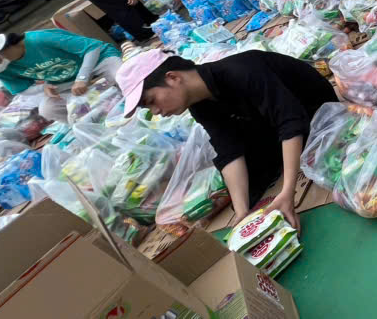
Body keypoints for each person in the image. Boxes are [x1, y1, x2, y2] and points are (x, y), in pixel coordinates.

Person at [117, 49, 337, 229]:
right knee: (248, 186)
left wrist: (288, 191)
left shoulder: (242, 70)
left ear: (173, 77)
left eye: (151, 101)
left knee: (278, 162)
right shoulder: (198, 105)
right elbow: (229, 149)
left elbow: (289, 122)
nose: (155, 111)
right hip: (272, 126)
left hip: (317, 115)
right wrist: (242, 213)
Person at [0, 30, 122, 122]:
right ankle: (100, 121)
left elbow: (92, 48)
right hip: (67, 82)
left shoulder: (38, 39)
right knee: (48, 109)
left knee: (122, 76)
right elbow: (22, 89)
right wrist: (44, 87)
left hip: (99, 61)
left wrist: (82, 78)